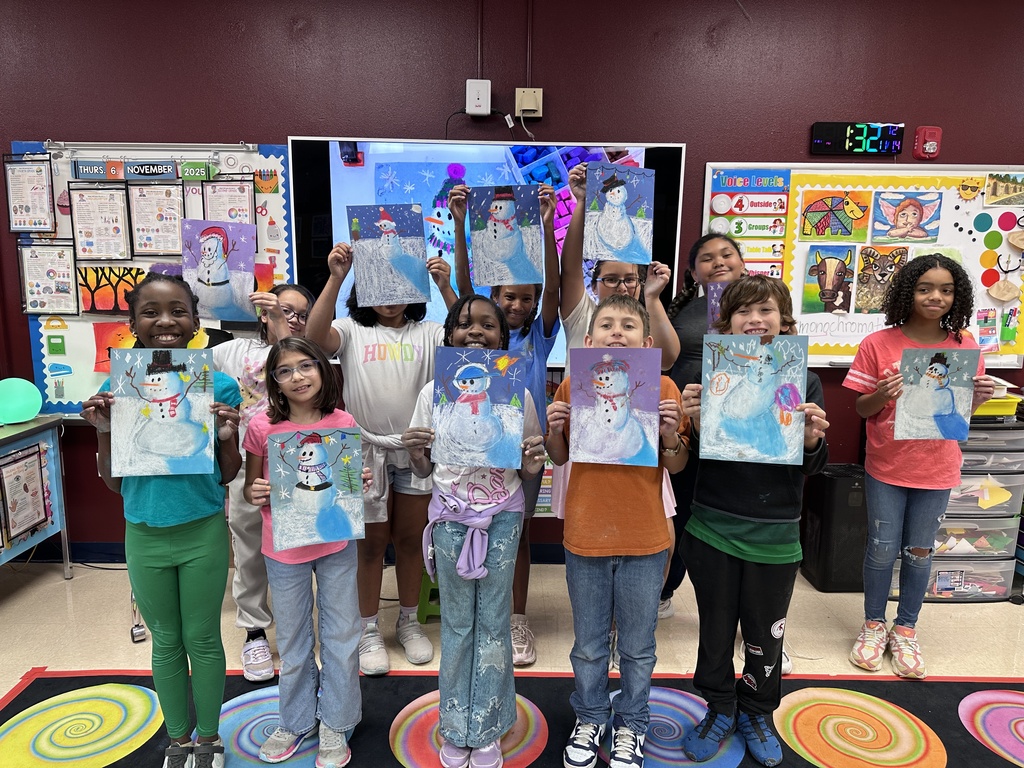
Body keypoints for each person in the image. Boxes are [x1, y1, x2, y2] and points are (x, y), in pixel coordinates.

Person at [81, 273, 242, 768]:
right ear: (131, 324)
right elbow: (113, 483)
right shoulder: (119, 387)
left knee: (203, 637)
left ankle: (209, 738)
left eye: (177, 310)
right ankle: (178, 739)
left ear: (196, 320)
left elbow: (228, 474)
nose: (165, 321)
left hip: (203, 532)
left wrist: (227, 434)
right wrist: (105, 431)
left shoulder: (220, 385)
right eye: (150, 311)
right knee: (166, 640)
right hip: (144, 535)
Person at [679, 275, 829, 766]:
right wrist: (696, 422)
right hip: (714, 524)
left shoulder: (802, 377)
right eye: (743, 312)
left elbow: (811, 464)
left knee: (766, 634)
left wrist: (810, 440)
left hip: (775, 531)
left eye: (765, 311)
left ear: (785, 322)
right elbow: (697, 457)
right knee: (716, 628)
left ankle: (758, 710)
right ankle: (720, 706)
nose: (754, 320)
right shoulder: (714, 376)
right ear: (726, 323)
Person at [402, 294, 546, 768]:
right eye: (465, 325)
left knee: (494, 624)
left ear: (504, 339)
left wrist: (530, 463)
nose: (476, 331)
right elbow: (422, 466)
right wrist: (418, 451)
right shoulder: (432, 393)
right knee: (458, 623)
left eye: (488, 325)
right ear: (449, 337)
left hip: (502, 517)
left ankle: (487, 724)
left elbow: (525, 469)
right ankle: (455, 722)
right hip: (449, 517)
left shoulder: (516, 393)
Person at [546, 294, 689, 768]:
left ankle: (632, 721)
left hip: (646, 536)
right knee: (587, 642)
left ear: (647, 342)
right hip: (586, 533)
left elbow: (677, 463)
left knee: (637, 644)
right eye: (606, 324)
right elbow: (560, 457)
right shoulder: (572, 384)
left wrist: (670, 434)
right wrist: (554, 428)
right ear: (587, 342)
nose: (616, 332)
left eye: (628, 325)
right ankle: (589, 715)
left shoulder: (663, 386)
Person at [305, 244, 457, 675]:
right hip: (364, 447)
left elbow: (464, 335)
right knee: (369, 547)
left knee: (411, 541)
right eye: (379, 281)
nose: (390, 293)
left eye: (400, 281)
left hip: (416, 449)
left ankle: (408, 620)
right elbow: (314, 340)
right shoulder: (351, 329)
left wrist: (447, 287)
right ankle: (368, 628)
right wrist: (335, 276)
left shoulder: (427, 332)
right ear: (363, 285)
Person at [844, 254, 992, 679]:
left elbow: (960, 415)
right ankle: (874, 624)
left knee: (919, 552)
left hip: (937, 467)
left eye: (946, 290)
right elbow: (861, 407)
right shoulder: (879, 343)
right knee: (881, 549)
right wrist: (884, 394)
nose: (936, 297)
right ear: (908, 291)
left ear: (957, 296)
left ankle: (905, 628)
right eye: (925, 287)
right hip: (886, 465)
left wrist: (975, 400)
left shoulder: (964, 346)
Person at [447, 181, 561, 666]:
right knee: (470, 527)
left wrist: (549, 223)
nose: (518, 306)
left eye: (526, 299)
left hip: (524, 451)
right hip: (473, 446)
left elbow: (554, 287)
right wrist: (458, 224)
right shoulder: (479, 338)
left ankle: (516, 621)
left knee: (516, 535)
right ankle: (474, 614)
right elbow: (468, 293)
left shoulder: (537, 333)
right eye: (508, 299)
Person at [244, 336, 370, 768]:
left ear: (322, 369)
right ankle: (297, 720)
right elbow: (249, 487)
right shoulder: (262, 426)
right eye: (284, 371)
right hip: (284, 549)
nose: (297, 377)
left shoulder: (343, 420)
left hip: (335, 542)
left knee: (341, 634)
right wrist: (257, 490)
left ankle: (337, 719)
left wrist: (359, 481)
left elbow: (349, 480)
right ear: (274, 381)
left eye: (306, 366)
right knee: (294, 641)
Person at [213, 283, 316, 682]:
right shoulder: (234, 352)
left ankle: (300, 629)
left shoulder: (311, 354)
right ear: (262, 311)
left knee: (305, 551)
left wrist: (285, 325)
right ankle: (254, 631)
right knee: (250, 550)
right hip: (248, 466)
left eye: (301, 313)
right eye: (284, 310)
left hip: (301, 464)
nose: (294, 318)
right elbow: (186, 370)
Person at [663, 234, 748, 622]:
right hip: (685, 424)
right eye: (707, 258)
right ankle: (665, 590)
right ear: (694, 271)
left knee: (730, 513)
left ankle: (741, 614)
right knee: (678, 510)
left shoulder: (760, 308)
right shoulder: (683, 311)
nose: (718, 262)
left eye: (726, 254)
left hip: (739, 427)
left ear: (742, 262)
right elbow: (665, 361)